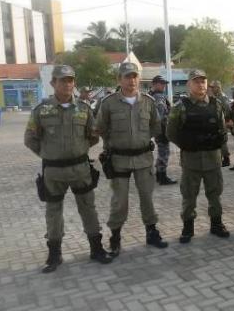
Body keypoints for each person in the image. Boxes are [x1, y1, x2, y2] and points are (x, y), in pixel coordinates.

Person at [25, 65, 111, 273]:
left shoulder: (83, 109)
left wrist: (78, 150)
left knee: (88, 208)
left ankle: (96, 248)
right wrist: (49, 154)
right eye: (62, 80)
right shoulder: (41, 110)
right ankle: (54, 254)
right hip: (53, 172)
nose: (67, 84)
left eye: (70, 80)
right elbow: (30, 139)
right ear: (53, 83)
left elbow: (93, 136)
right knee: (53, 212)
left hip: (80, 168)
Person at [95, 62, 168, 256]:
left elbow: (156, 126)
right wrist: (112, 144)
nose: (132, 80)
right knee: (120, 201)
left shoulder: (148, 101)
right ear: (119, 79)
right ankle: (115, 236)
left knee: (147, 197)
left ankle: (151, 232)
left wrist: (142, 140)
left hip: (143, 158)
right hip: (118, 159)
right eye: (127, 76)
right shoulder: (109, 103)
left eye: (135, 76)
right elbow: (100, 127)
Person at [166, 69, 230, 242]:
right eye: (196, 81)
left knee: (215, 194)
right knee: (189, 195)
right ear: (189, 84)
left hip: (212, 159)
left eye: (203, 81)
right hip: (191, 160)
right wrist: (187, 144)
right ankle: (188, 228)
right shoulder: (180, 107)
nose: (200, 84)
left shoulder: (216, 105)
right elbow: (170, 132)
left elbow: (222, 129)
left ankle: (217, 224)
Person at [149, 75, 177, 185]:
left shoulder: (151, 95)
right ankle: (162, 176)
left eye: (164, 84)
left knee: (162, 152)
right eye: (162, 84)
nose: (164, 86)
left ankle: (159, 175)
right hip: (162, 129)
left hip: (160, 130)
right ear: (155, 84)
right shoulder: (158, 97)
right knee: (164, 153)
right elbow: (159, 116)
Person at [208, 80, 232, 167]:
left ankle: (226, 159)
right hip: (216, 121)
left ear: (218, 88)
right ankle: (220, 158)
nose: (212, 89)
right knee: (218, 140)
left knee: (223, 141)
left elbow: (227, 109)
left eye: (213, 87)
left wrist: (226, 121)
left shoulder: (222, 97)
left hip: (222, 121)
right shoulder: (215, 96)